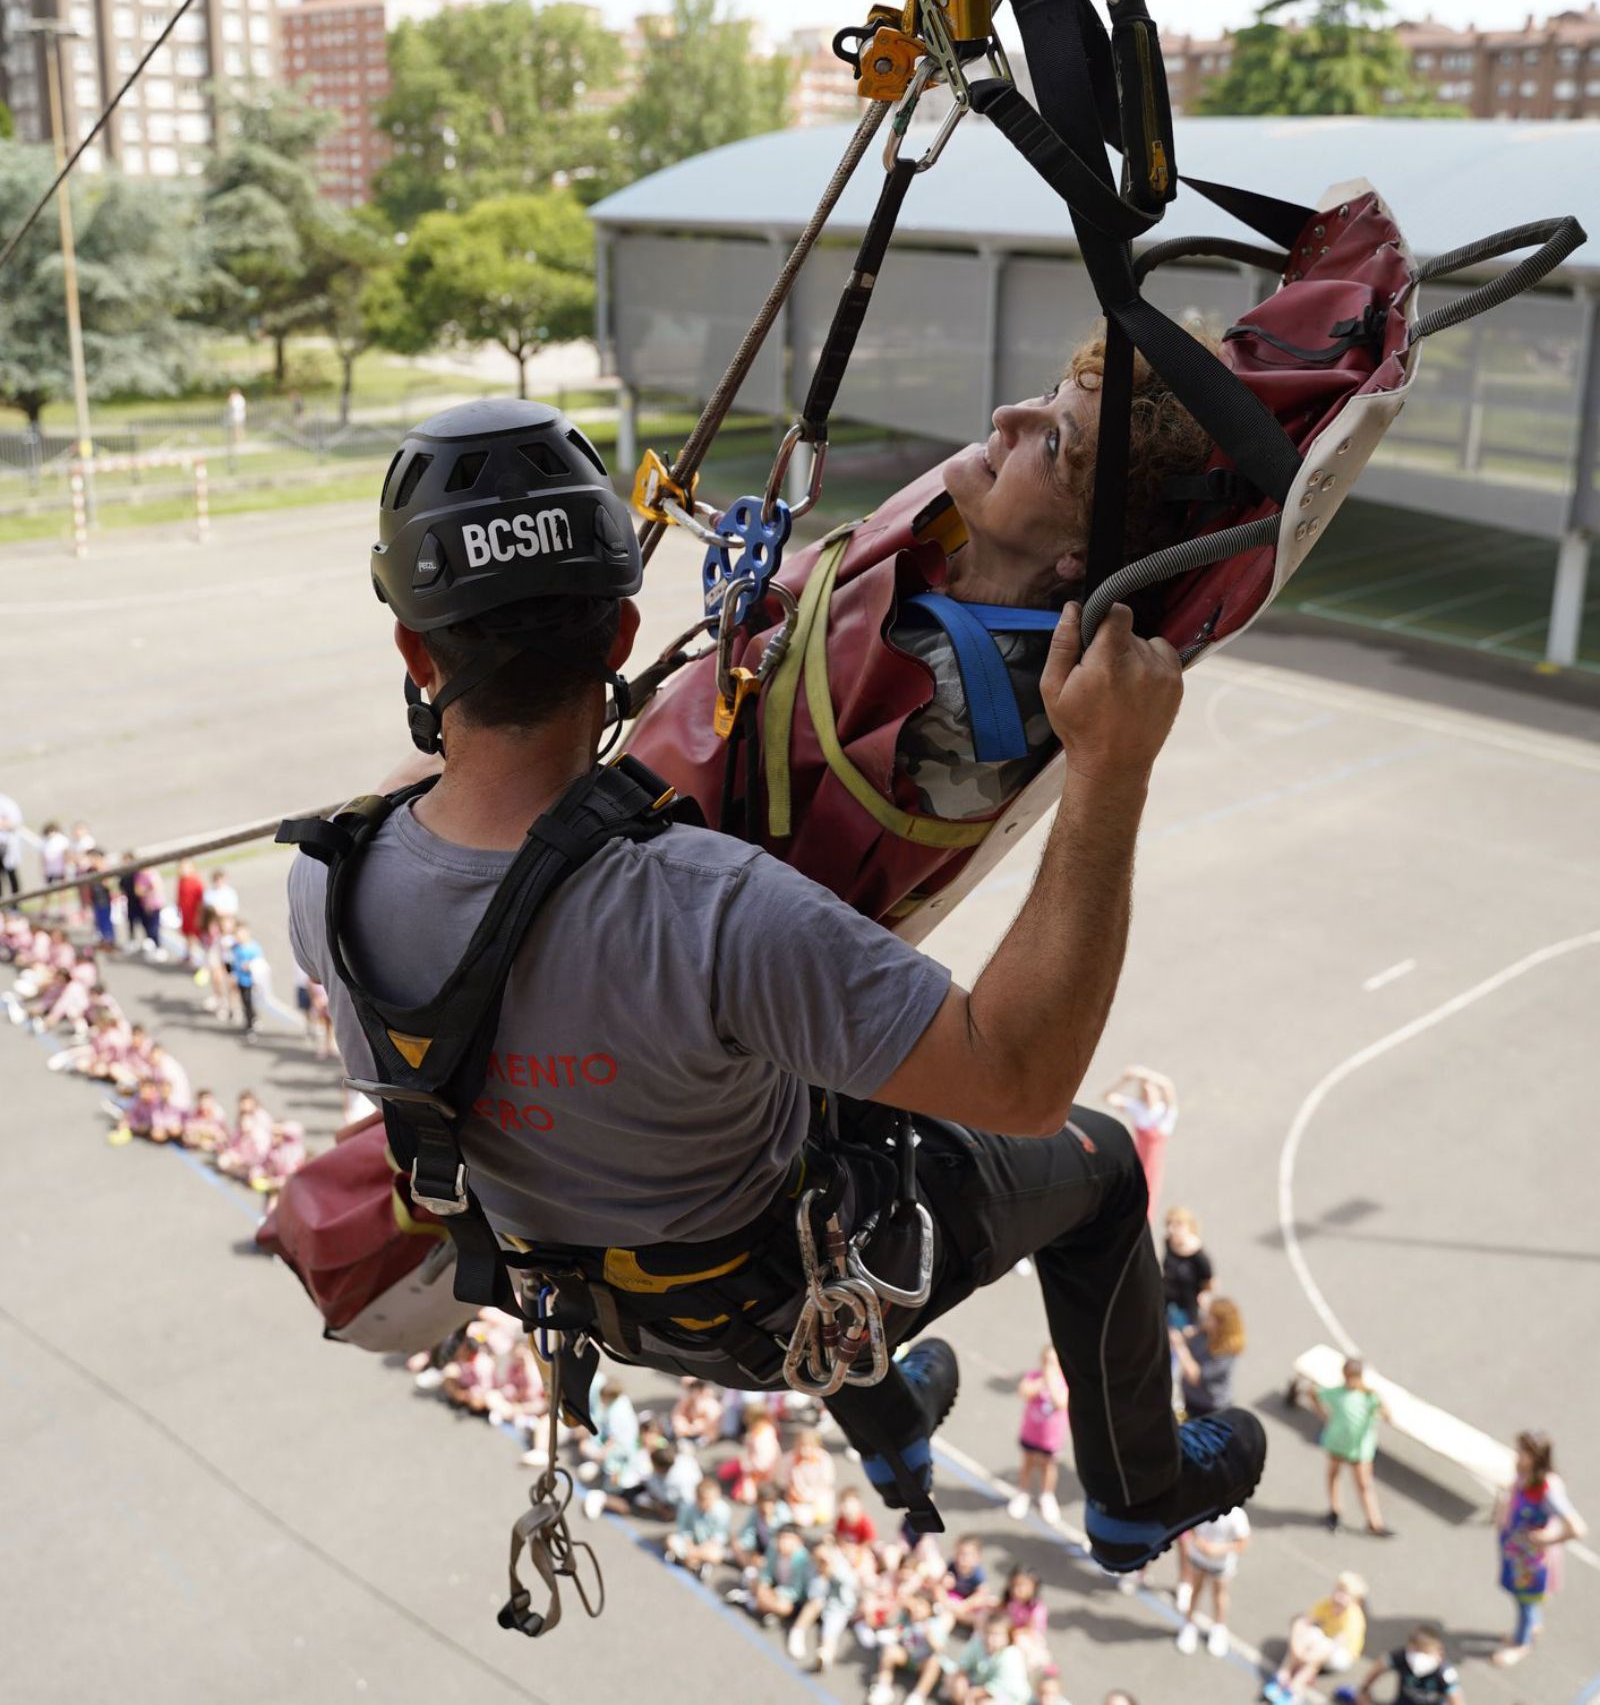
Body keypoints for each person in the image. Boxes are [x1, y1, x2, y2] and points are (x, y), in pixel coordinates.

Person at [285, 396, 1265, 1570]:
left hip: (572, 1276)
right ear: (621, 635)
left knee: (787, 1072)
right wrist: (1110, 767)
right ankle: (1138, 1492)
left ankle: (894, 1428)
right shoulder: (719, 910)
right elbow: (1020, 1079)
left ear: (415, 653)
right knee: (1093, 1167)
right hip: (750, 1296)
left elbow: (441, 802)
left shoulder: (325, 883)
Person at [1492, 1429, 1587, 1668]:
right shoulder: (1526, 1475)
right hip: (1515, 1550)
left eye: (1523, 1453)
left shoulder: (1547, 1487)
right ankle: (1533, 1622)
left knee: (1525, 1601)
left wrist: (1548, 1539)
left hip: (1529, 1561)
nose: (1517, 1457)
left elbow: (1577, 1528)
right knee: (1524, 1598)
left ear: (1537, 1457)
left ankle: (1521, 1643)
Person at [1313, 1357, 1392, 1537]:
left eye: (1353, 1377)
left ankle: (1375, 1522)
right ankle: (1335, 1510)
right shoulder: (1337, 1393)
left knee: (1364, 1484)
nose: (1350, 1381)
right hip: (1338, 1443)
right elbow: (1314, 1393)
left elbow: (1387, 1415)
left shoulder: (1369, 1397)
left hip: (1359, 1449)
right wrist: (1322, 1414)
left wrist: (1379, 1401)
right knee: (1333, 1474)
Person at [1264, 1571, 1367, 1703]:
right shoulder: (1326, 1604)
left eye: (1345, 1595)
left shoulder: (1352, 1621)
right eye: (1338, 1590)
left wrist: (1304, 1657)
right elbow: (1301, 1623)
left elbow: (1332, 1647)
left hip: (1341, 1654)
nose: (1339, 1597)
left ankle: (1295, 1687)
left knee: (1315, 1655)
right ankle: (1283, 1674)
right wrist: (1296, 1648)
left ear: (1355, 1601)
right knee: (1311, 1634)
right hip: (1325, 1641)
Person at [1102, 1068, 1178, 1223]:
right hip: (1137, 1157)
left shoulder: (1164, 1113)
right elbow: (1108, 1097)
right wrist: (1125, 1081)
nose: (1148, 1093)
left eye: (1151, 1090)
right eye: (1145, 1090)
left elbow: (1168, 1086)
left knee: (1147, 1194)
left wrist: (1144, 1074)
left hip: (1152, 1163)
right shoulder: (1138, 1108)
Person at [1174, 1505, 1249, 1657]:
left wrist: (1217, 1549)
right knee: (1195, 1591)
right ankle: (1188, 1623)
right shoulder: (1201, 1505)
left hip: (1220, 1565)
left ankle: (1219, 1627)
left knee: (1219, 1595)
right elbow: (1189, 1526)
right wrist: (1198, 1542)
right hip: (1198, 1558)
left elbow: (1243, 1544)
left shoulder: (1236, 1516)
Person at [1008, 1344, 1069, 1523]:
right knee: (1027, 1463)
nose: (1049, 1366)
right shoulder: (1034, 1377)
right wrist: (1043, 1380)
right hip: (1031, 1433)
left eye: (1053, 1363)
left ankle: (1047, 1495)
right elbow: (1023, 1392)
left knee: (1048, 1467)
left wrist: (1051, 1381)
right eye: (1046, 1362)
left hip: (1051, 1438)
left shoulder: (1063, 1384)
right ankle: (1023, 1492)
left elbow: (1060, 1402)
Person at [787, 1535, 858, 1671]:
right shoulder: (810, 1566)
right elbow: (812, 1593)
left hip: (837, 1606)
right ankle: (797, 1632)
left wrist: (833, 1571)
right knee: (815, 1604)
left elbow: (851, 1584)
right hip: (817, 1601)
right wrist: (822, 1576)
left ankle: (825, 1655)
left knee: (831, 1630)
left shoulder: (840, 1564)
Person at [1171, 1297, 1246, 1420]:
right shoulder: (1206, 1332)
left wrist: (1180, 1346)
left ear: (1221, 1324)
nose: (1206, 1318)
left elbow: (1194, 1376)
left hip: (1209, 1406)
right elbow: (1192, 1334)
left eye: (1210, 1317)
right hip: (1191, 1397)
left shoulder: (1227, 1352)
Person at [1353, 1625, 1462, 1704]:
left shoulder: (1444, 1673)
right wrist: (1364, 1690)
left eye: (1425, 1652)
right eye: (1415, 1651)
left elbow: (1455, 1698)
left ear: (1439, 1653)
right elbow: (1379, 1667)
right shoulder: (1401, 1657)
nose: (1418, 1658)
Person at [947, 1615, 1032, 1705]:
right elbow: (963, 1665)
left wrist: (973, 1693)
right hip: (979, 1685)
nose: (990, 1638)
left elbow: (1000, 1687)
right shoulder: (978, 1641)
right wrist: (961, 1679)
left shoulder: (1012, 1655)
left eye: (996, 1634)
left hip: (1009, 1697)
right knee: (954, 1681)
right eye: (987, 1633)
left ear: (1008, 1636)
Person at [663, 1476, 734, 1580]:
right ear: (697, 1498)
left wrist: (696, 1551)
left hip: (707, 1546)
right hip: (691, 1543)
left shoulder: (723, 1511)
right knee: (671, 1540)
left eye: (710, 1500)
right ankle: (695, 1563)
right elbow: (683, 1529)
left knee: (717, 1554)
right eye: (704, 1500)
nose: (707, 1504)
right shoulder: (687, 1507)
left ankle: (685, 1559)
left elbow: (719, 1537)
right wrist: (689, 1544)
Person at [1160, 1207, 1213, 1329]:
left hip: (1186, 1305)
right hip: (1167, 1296)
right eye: (1169, 1224)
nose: (1171, 1229)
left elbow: (1209, 1281)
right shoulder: (1168, 1242)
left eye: (1177, 1225)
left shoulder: (1198, 1256)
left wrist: (1204, 1294)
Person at [176, 860, 206, 968]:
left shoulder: (196, 881)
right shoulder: (181, 880)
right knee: (187, 935)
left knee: (197, 937)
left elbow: (201, 901)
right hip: (186, 914)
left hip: (195, 914)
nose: (183, 870)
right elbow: (179, 897)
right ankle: (188, 954)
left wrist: (200, 916)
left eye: (186, 867)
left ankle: (204, 959)